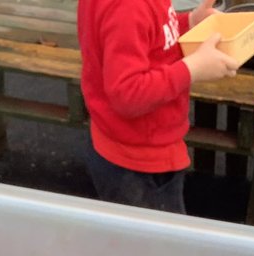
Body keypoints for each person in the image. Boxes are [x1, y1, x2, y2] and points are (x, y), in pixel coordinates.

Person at [77, 0, 239, 214]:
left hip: (124, 142)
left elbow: (153, 37)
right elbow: (128, 94)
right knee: (156, 243)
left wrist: (189, 23)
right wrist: (192, 68)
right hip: (138, 163)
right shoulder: (128, 7)